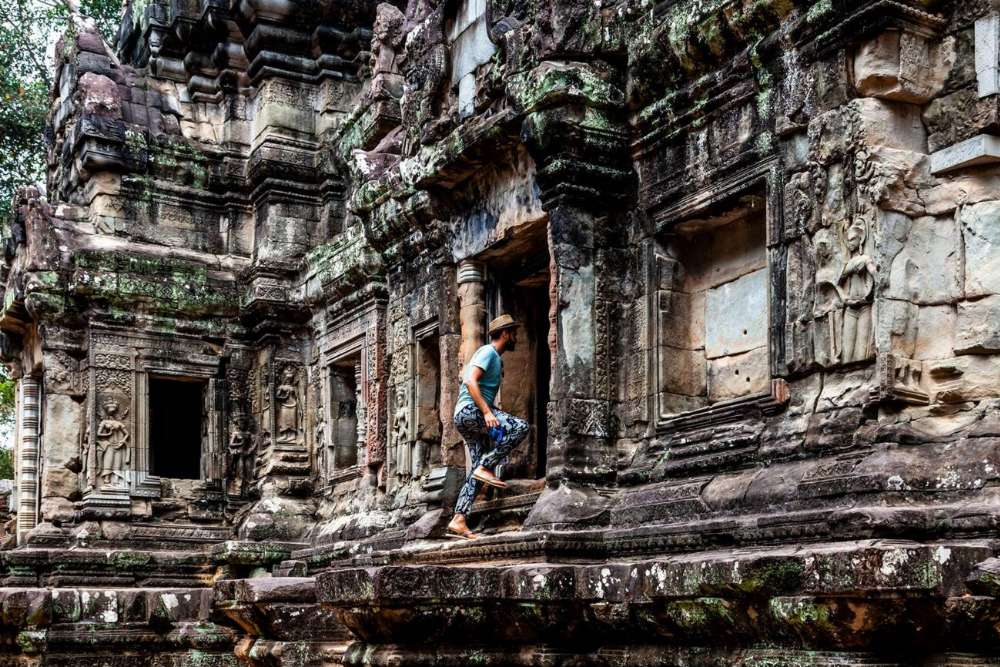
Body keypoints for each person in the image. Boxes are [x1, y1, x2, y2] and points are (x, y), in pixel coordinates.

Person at [447, 314, 530, 539]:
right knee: (521, 427)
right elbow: (469, 380)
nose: (516, 337)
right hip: (471, 412)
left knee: (477, 471)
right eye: (513, 333)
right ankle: (486, 464)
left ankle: (459, 518)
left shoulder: (495, 358)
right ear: (505, 334)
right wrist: (486, 412)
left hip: (466, 416)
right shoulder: (488, 352)